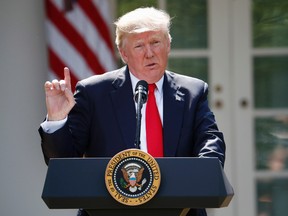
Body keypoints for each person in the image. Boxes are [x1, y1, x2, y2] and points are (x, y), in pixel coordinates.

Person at [39, 7, 225, 216]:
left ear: (168, 45)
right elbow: (64, 162)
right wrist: (57, 119)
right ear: (124, 54)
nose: (150, 53)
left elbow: (210, 140)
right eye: (139, 46)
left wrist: (203, 172)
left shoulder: (194, 91)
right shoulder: (94, 92)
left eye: (155, 42)